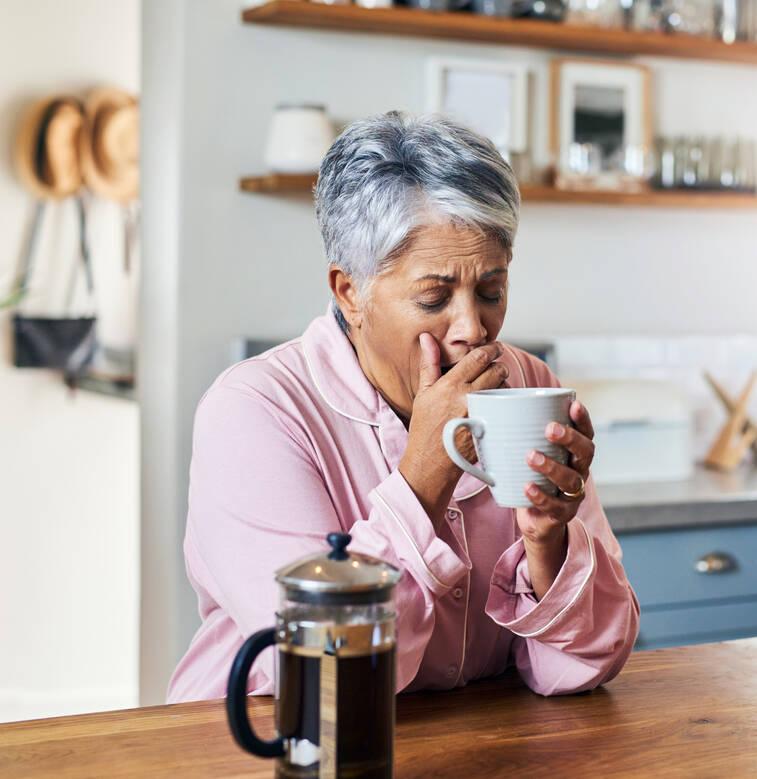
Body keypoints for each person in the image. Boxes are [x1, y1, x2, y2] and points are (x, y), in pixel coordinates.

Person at [167, 113, 640, 702]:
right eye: (434, 297)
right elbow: (325, 674)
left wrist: (549, 542)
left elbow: (590, 661)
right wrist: (423, 479)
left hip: (467, 743)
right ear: (350, 293)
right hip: (266, 738)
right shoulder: (253, 413)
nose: (473, 328)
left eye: (491, 291)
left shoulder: (529, 385)